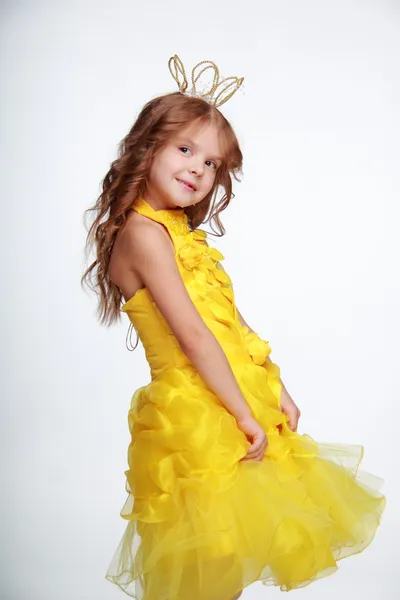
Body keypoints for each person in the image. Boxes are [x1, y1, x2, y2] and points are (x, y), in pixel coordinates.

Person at [81, 55, 386, 600]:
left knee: (227, 556)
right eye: (185, 149)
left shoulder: (179, 232)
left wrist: (275, 386)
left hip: (229, 398)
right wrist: (244, 414)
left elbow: (230, 321)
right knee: (202, 563)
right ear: (146, 147)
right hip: (195, 414)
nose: (199, 168)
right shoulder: (145, 236)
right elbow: (194, 336)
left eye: (214, 163)